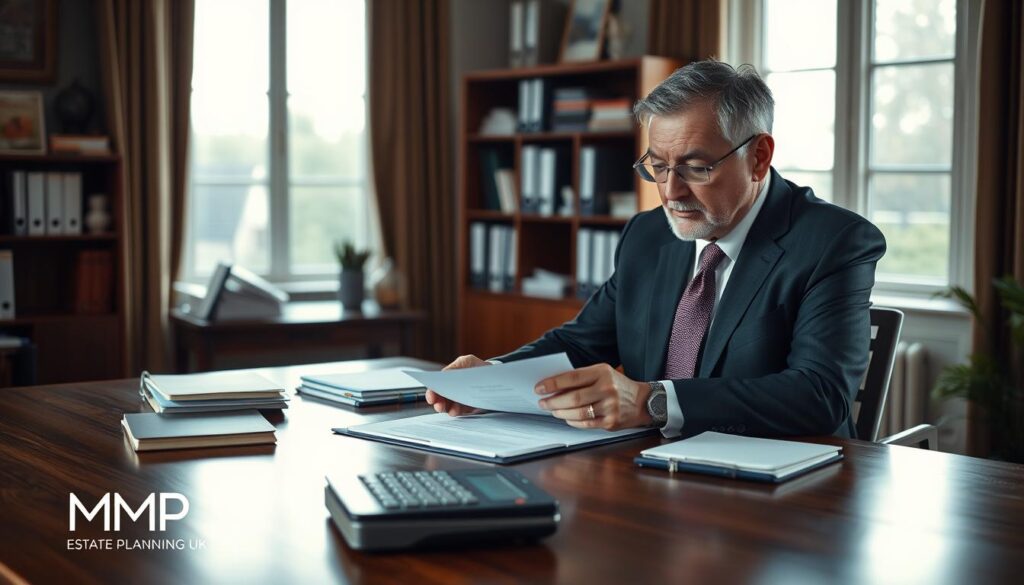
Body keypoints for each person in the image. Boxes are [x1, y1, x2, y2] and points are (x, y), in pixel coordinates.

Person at [427, 60, 886, 439]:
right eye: (658, 167)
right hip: (649, 473)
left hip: (783, 498)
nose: (670, 192)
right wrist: (491, 376)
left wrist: (652, 401)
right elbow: (580, 342)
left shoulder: (834, 242)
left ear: (759, 157)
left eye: (695, 168)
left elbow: (820, 396)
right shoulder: (647, 235)